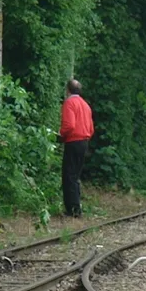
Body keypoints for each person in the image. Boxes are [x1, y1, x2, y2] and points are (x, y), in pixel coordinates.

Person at [59, 79, 94, 217]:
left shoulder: (69, 103)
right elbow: (91, 128)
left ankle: (72, 210)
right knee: (76, 175)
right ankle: (77, 206)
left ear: (68, 90)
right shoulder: (86, 105)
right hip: (84, 141)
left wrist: (61, 135)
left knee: (69, 175)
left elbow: (69, 125)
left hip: (73, 141)